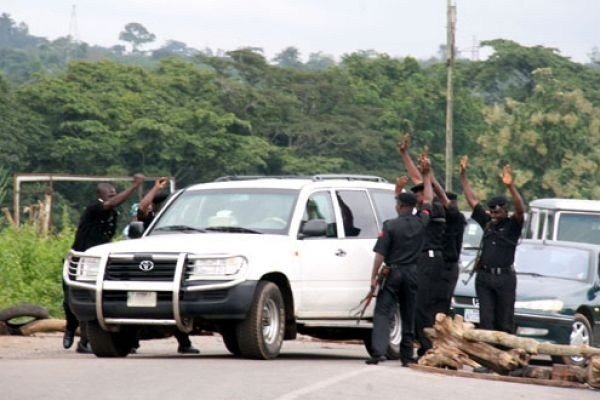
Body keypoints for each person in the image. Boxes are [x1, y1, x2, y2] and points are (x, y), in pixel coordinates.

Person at [63, 174, 145, 353]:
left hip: (100, 260)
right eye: (110, 194)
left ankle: (87, 341)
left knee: (98, 298)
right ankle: (70, 329)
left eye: (115, 194)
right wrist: (134, 186)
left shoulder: (113, 212)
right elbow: (110, 203)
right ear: (100, 195)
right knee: (73, 298)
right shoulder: (94, 208)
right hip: (82, 258)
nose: (114, 197)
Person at [365, 156, 433, 366]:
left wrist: (373, 279)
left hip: (393, 273)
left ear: (400, 205)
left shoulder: (390, 225)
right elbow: (428, 200)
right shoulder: (421, 221)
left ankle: (378, 352)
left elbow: (380, 255)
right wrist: (427, 175)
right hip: (413, 273)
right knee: (408, 312)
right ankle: (406, 357)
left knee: (383, 311)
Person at [132, 177, 200, 355]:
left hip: (167, 268)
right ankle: (132, 342)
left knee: (170, 305)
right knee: (140, 305)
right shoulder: (151, 218)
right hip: (146, 266)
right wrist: (155, 189)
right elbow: (142, 207)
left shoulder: (176, 220)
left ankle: (184, 342)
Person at [459, 156, 525, 334]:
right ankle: (488, 360)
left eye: (497, 211)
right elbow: (472, 200)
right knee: (486, 321)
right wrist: (463, 176)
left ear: (505, 210)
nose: (494, 214)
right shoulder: (488, 222)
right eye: (492, 211)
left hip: (505, 278)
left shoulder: (513, 225)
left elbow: (520, 209)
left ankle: (505, 358)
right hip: (485, 277)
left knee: (504, 322)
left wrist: (510, 186)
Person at [397, 134, 447, 358]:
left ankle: (428, 347)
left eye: (420, 191)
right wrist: (405, 155)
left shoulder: (435, 205)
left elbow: (425, 185)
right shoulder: (420, 207)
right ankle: (422, 344)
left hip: (430, 259)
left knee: (425, 305)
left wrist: (428, 174)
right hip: (420, 260)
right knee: (416, 305)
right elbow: (417, 178)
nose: (417, 194)